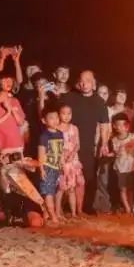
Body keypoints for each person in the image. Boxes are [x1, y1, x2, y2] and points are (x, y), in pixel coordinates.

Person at [63, 70, 110, 214]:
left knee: (88, 177)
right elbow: (56, 115)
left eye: (88, 80)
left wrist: (104, 143)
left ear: (93, 83)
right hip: (69, 143)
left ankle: (87, 207)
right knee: (67, 175)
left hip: (88, 145)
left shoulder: (99, 102)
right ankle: (67, 207)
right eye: (82, 81)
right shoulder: (69, 97)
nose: (84, 84)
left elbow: (104, 125)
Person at [0, 71, 28, 158]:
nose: (8, 83)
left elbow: (21, 123)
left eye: (10, 80)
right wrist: (7, 113)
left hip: (17, 144)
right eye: (5, 80)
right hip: (2, 145)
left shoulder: (14, 101)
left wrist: (12, 110)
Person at [55, 103, 84, 219]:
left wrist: (72, 154)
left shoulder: (74, 128)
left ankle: (73, 213)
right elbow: (54, 146)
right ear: (59, 114)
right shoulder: (56, 128)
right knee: (60, 189)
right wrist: (62, 156)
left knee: (72, 188)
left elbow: (77, 145)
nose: (66, 116)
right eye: (63, 113)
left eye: (69, 113)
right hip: (61, 162)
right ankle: (57, 213)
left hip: (73, 161)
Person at [37, 106, 65, 223]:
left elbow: (61, 150)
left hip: (56, 167)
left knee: (52, 191)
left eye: (57, 118)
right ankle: (53, 217)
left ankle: (46, 215)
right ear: (44, 120)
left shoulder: (60, 134)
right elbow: (41, 154)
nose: (55, 120)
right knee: (48, 192)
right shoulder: (44, 136)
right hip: (47, 167)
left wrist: (62, 163)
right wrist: (42, 169)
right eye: (51, 118)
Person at [110, 114, 134, 214]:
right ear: (114, 126)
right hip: (120, 167)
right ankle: (127, 208)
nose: (121, 127)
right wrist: (109, 154)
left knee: (130, 189)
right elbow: (115, 153)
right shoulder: (114, 140)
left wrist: (124, 146)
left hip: (131, 167)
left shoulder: (132, 137)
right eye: (119, 125)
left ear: (128, 125)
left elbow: (133, 146)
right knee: (122, 189)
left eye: (124, 125)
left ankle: (131, 205)